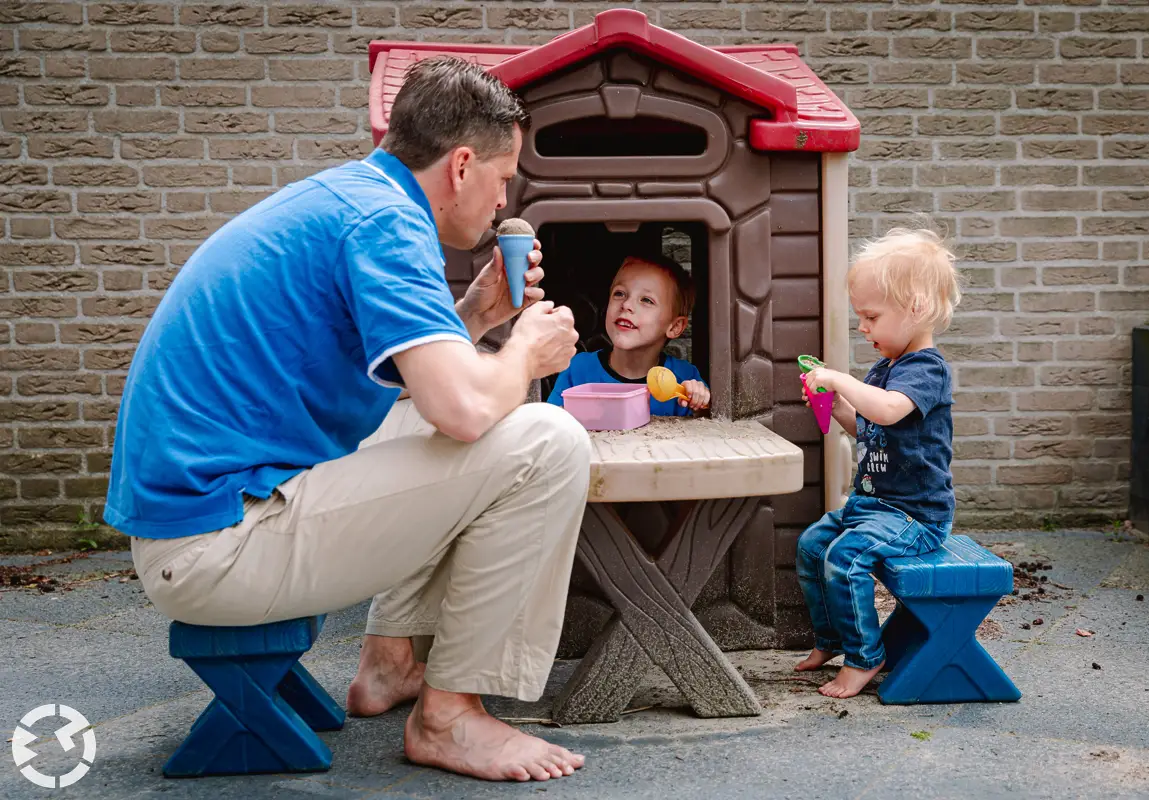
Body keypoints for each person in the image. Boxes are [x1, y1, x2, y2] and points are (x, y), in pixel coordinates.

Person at [104, 57, 590, 782]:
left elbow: (404, 392)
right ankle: (450, 717)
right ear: (461, 165)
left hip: (202, 527)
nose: (503, 198)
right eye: (503, 175)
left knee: (466, 423)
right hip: (217, 547)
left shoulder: (357, 201)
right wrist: (524, 348)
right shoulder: (389, 227)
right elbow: (459, 409)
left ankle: (390, 664)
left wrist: (477, 318)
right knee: (547, 440)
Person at [792, 227, 962, 699]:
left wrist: (841, 380)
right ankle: (831, 640)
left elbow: (887, 410)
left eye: (871, 316)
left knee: (845, 560)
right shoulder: (885, 369)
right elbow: (869, 426)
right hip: (873, 507)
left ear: (917, 309)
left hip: (915, 515)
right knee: (812, 546)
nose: (863, 327)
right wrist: (836, 406)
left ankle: (867, 658)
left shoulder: (927, 369)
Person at [546, 253, 711, 414]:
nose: (626, 304)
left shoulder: (683, 378)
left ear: (675, 327)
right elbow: (552, 420)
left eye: (646, 300)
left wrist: (699, 400)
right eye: (620, 293)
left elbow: (706, 425)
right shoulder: (577, 369)